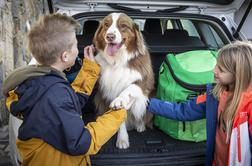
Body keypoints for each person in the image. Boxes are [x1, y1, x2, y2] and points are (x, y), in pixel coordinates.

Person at [2, 13, 127, 166]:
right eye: (75, 44)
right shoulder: (53, 95)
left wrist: (89, 69)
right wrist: (119, 112)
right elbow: (81, 143)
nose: (77, 49)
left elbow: (70, 100)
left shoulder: (43, 82)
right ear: (65, 56)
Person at [147, 41, 252, 166]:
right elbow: (183, 110)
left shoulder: (249, 107)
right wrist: (146, 103)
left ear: (238, 74)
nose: (214, 70)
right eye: (216, 65)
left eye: (221, 69)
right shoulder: (214, 96)